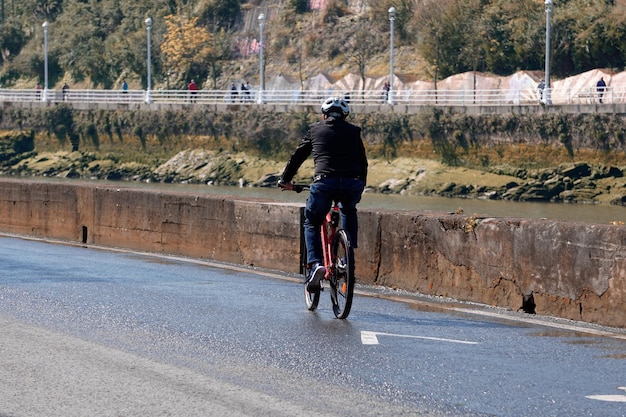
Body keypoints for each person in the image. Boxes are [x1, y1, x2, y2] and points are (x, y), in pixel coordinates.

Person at [278, 97, 368, 293]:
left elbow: (298, 156)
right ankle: (346, 257)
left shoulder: (315, 130)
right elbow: (363, 162)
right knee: (348, 209)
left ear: (324, 115)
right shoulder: (354, 132)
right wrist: (361, 184)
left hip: (324, 182)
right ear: (345, 116)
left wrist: (285, 179)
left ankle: (315, 263)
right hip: (353, 183)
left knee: (311, 221)